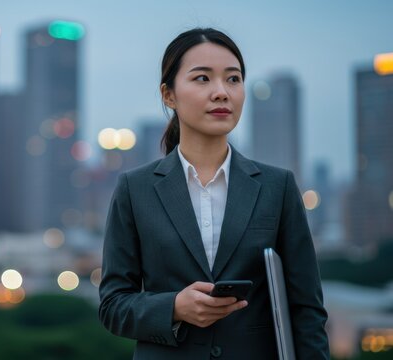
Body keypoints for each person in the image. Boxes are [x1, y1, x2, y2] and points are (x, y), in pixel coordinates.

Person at [98, 27, 330, 359]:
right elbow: (112, 306)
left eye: (233, 79)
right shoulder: (136, 189)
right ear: (169, 95)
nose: (221, 92)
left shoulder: (277, 187)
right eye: (202, 79)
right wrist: (174, 307)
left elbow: (307, 311)